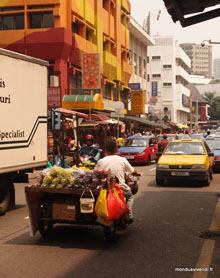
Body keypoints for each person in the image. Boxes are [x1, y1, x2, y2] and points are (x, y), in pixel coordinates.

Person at [95, 140, 140, 224]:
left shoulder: (101, 161)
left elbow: (96, 172)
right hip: (120, 188)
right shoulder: (122, 160)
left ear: (106, 150)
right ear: (116, 149)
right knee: (130, 196)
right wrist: (137, 173)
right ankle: (130, 215)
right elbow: (133, 171)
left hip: (103, 189)